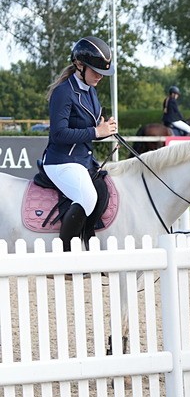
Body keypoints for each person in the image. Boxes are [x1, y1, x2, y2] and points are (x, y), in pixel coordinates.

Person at [43, 36, 118, 250]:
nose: (100, 77)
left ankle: (88, 242)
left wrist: (105, 130)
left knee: (104, 191)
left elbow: (89, 129)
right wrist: (95, 131)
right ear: (79, 65)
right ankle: (65, 256)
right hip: (61, 161)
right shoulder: (63, 92)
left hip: (83, 160)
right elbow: (59, 134)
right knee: (87, 196)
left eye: (102, 72)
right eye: (95, 71)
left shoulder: (91, 92)